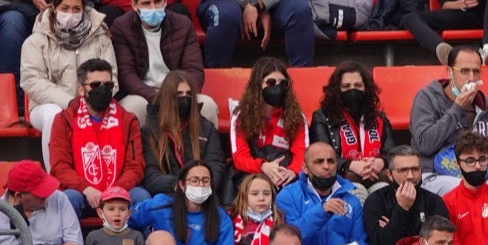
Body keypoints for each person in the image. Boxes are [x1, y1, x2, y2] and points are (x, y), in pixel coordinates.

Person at [22, 0, 115, 167]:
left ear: (84, 9)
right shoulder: (36, 41)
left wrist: (91, 101)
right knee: (54, 115)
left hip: (94, 103)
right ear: (54, 8)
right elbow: (32, 81)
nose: (70, 14)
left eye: (76, 9)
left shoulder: (101, 37)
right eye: (65, 8)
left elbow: (112, 74)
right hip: (47, 106)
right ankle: (56, 178)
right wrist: (70, 103)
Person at [48, 58, 147, 218]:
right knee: (69, 198)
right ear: (81, 90)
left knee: (141, 197)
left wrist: (116, 191)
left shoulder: (128, 120)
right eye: (95, 85)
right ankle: (70, 243)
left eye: (108, 85)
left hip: (119, 192)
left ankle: (144, 243)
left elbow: (135, 166)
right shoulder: (64, 120)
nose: (102, 89)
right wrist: (86, 188)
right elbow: (60, 167)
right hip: (83, 193)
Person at [408, 45, 488, 184]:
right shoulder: (427, 98)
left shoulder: (484, 103)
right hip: (435, 175)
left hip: (477, 174)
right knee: (459, 187)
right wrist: (457, 108)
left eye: (476, 71)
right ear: (449, 72)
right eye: (464, 71)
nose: (471, 78)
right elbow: (425, 145)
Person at [113, 0, 209, 124]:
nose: (153, 8)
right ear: (134, 4)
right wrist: (157, 98)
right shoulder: (122, 27)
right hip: (141, 93)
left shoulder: (183, 24)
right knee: (133, 107)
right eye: (146, 3)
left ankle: (204, 148)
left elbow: (195, 70)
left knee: (208, 106)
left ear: (165, 0)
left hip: (178, 90)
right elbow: (126, 75)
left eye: (158, 1)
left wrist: (181, 94)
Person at [275, 142, 373, 245]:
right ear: (305, 168)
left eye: (331, 161)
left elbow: (362, 244)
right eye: (319, 161)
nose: (326, 166)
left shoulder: (352, 201)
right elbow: (290, 242)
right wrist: (322, 211)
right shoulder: (287, 196)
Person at [131, 161, 235, 245]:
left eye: (205, 180)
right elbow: (128, 220)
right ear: (181, 184)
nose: (200, 185)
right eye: (194, 180)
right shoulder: (160, 205)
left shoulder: (221, 218)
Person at [360, 146, 449, 245]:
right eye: (403, 170)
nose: (410, 176)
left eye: (415, 169)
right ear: (390, 175)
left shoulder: (434, 201)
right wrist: (402, 209)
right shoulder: (376, 201)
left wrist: (391, 226)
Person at [142, 70, 228, 199]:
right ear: (167, 98)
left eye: (188, 94)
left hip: (202, 196)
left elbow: (216, 165)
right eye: (179, 94)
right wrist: (180, 185)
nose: (185, 98)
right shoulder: (150, 131)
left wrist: (200, 185)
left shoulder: (206, 128)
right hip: (168, 195)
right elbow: (151, 175)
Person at [309, 61, 393, 193]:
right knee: (357, 192)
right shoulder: (322, 117)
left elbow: (391, 152)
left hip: (377, 176)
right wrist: (350, 165)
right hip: (341, 178)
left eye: (358, 85)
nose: (352, 90)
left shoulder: (380, 117)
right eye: (346, 86)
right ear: (337, 90)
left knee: (383, 191)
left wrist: (380, 162)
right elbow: (320, 154)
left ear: (366, 88)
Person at [230, 58, 307, 193]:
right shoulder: (241, 115)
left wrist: (292, 171)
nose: (277, 87)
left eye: (283, 83)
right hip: (252, 174)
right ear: (258, 85)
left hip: (286, 175)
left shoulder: (297, 116)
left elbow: (302, 152)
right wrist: (263, 166)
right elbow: (239, 157)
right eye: (271, 82)